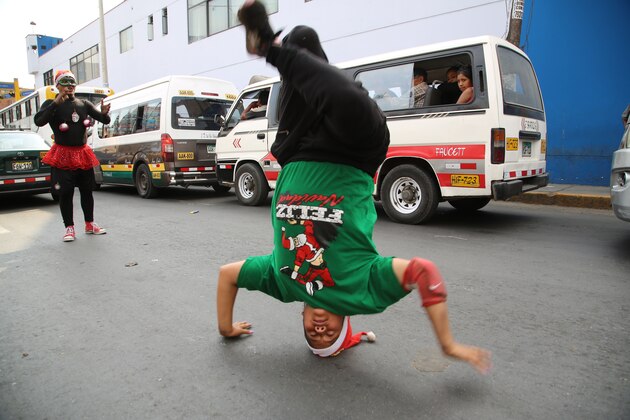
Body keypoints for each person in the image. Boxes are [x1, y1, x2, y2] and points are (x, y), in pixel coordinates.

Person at [216, 0, 491, 373]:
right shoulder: (363, 289)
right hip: (354, 152)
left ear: (300, 319)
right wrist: (448, 344)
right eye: (329, 335)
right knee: (346, 98)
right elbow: (424, 271)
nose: (319, 331)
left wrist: (227, 327)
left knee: (302, 38)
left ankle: (280, 48)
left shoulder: (283, 283)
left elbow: (227, 275)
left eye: (313, 337)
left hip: (297, 150)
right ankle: (270, 49)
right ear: (346, 319)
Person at [34, 70, 111, 242]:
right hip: (62, 154)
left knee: (87, 191)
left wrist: (105, 113)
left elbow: (105, 120)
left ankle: (90, 224)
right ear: (58, 86)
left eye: (72, 83)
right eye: (65, 83)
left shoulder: (83, 104)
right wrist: (55, 103)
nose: (69, 86)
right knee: (66, 192)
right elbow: (39, 121)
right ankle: (69, 228)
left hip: (82, 154)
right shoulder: (50, 103)